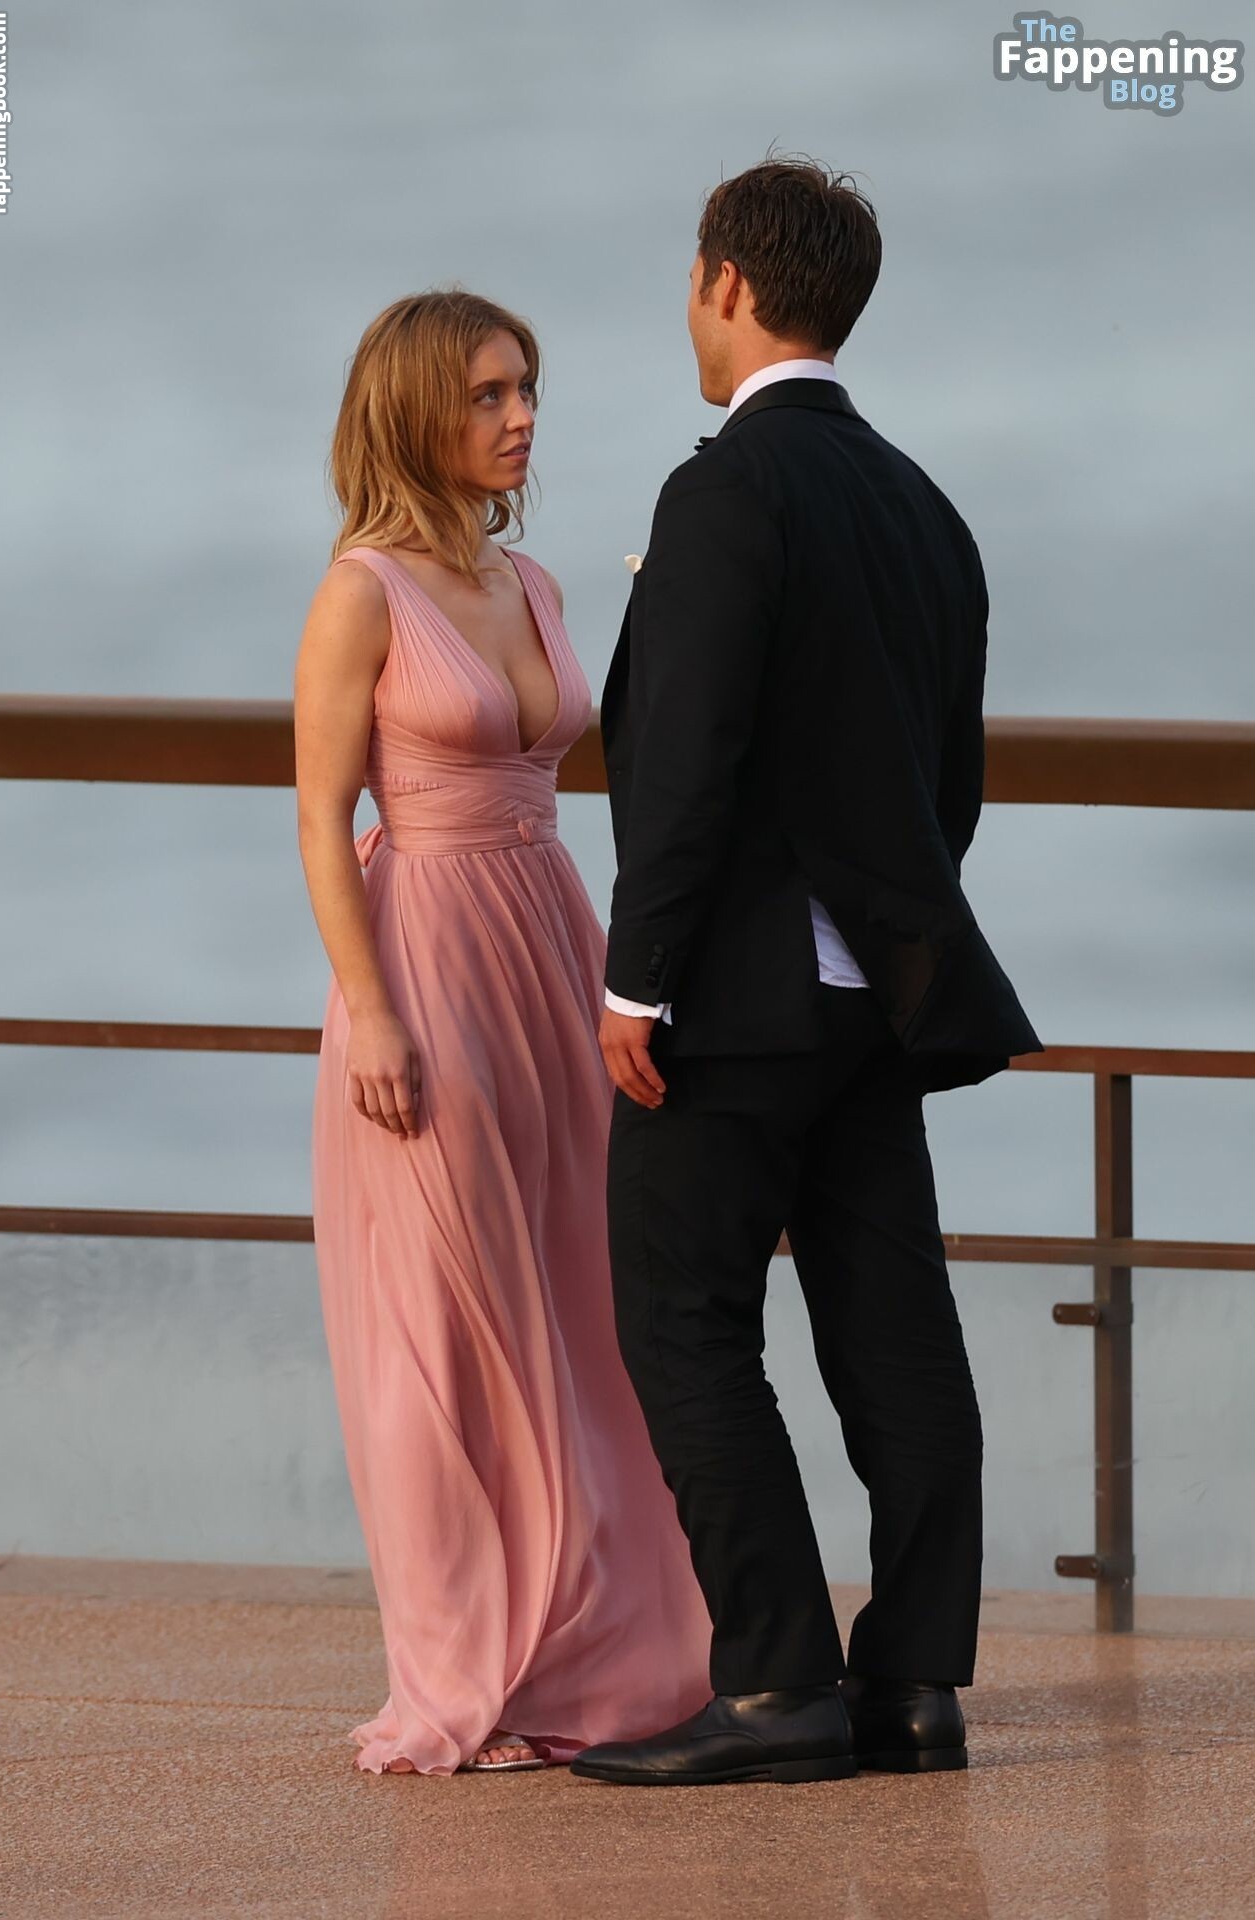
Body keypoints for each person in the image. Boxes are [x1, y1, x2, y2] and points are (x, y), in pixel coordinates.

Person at [573, 157, 1043, 1788]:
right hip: (878, 1004)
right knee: (893, 1330)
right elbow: (950, 782)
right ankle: (912, 1686)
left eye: (691, 285)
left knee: (683, 1319)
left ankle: (778, 1684)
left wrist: (638, 980)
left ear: (726, 283)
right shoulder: (924, 508)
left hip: (731, 1002)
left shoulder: (724, 492)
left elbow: (686, 759)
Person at [295, 290, 712, 1777]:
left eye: (526, 388)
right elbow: (319, 820)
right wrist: (374, 1015)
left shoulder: (530, 579)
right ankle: (464, 1655)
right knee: (451, 1310)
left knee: (583, 1287)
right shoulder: (360, 594)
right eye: (488, 394)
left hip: (551, 936)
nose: (522, 416)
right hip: (426, 959)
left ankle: (602, 1640)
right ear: (417, 411)